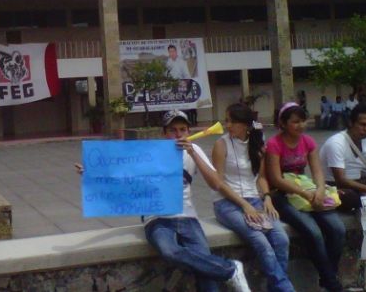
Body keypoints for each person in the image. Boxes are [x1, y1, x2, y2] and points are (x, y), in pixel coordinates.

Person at [75, 109, 252, 292]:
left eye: (183, 129)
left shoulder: (194, 150)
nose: (178, 134)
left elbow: (216, 183)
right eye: (173, 130)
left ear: (188, 132)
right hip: (157, 218)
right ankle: (230, 269)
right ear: (164, 133)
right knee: (169, 251)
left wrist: (193, 154)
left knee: (204, 267)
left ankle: (227, 272)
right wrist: (93, 174)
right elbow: (124, 177)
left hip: (187, 216)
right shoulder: (150, 153)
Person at [212, 103, 295, 292]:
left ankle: (277, 288)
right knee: (260, 241)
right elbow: (219, 183)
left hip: (254, 200)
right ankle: (286, 288)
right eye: (227, 121)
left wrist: (266, 198)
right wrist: (245, 206)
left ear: (246, 125)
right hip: (226, 203)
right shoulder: (221, 144)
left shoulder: (257, 145)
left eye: (232, 121)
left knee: (281, 238)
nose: (228, 125)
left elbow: (262, 178)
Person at [266, 102, 346, 292]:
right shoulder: (274, 144)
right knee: (314, 232)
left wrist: (319, 191)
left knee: (338, 229)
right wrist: (305, 193)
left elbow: (317, 171)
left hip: (307, 191)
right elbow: (275, 179)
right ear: (283, 124)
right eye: (295, 122)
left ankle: (328, 277)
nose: (301, 125)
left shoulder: (308, 141)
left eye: (303, 121)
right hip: (283, 195)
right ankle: (332, 283)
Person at [319, 103, 366, 212]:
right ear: (351, 123)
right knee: (350, 198)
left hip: (357, 181)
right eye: (362, 124)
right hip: (334, 185)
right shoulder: (336, 143)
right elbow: (341, 180)